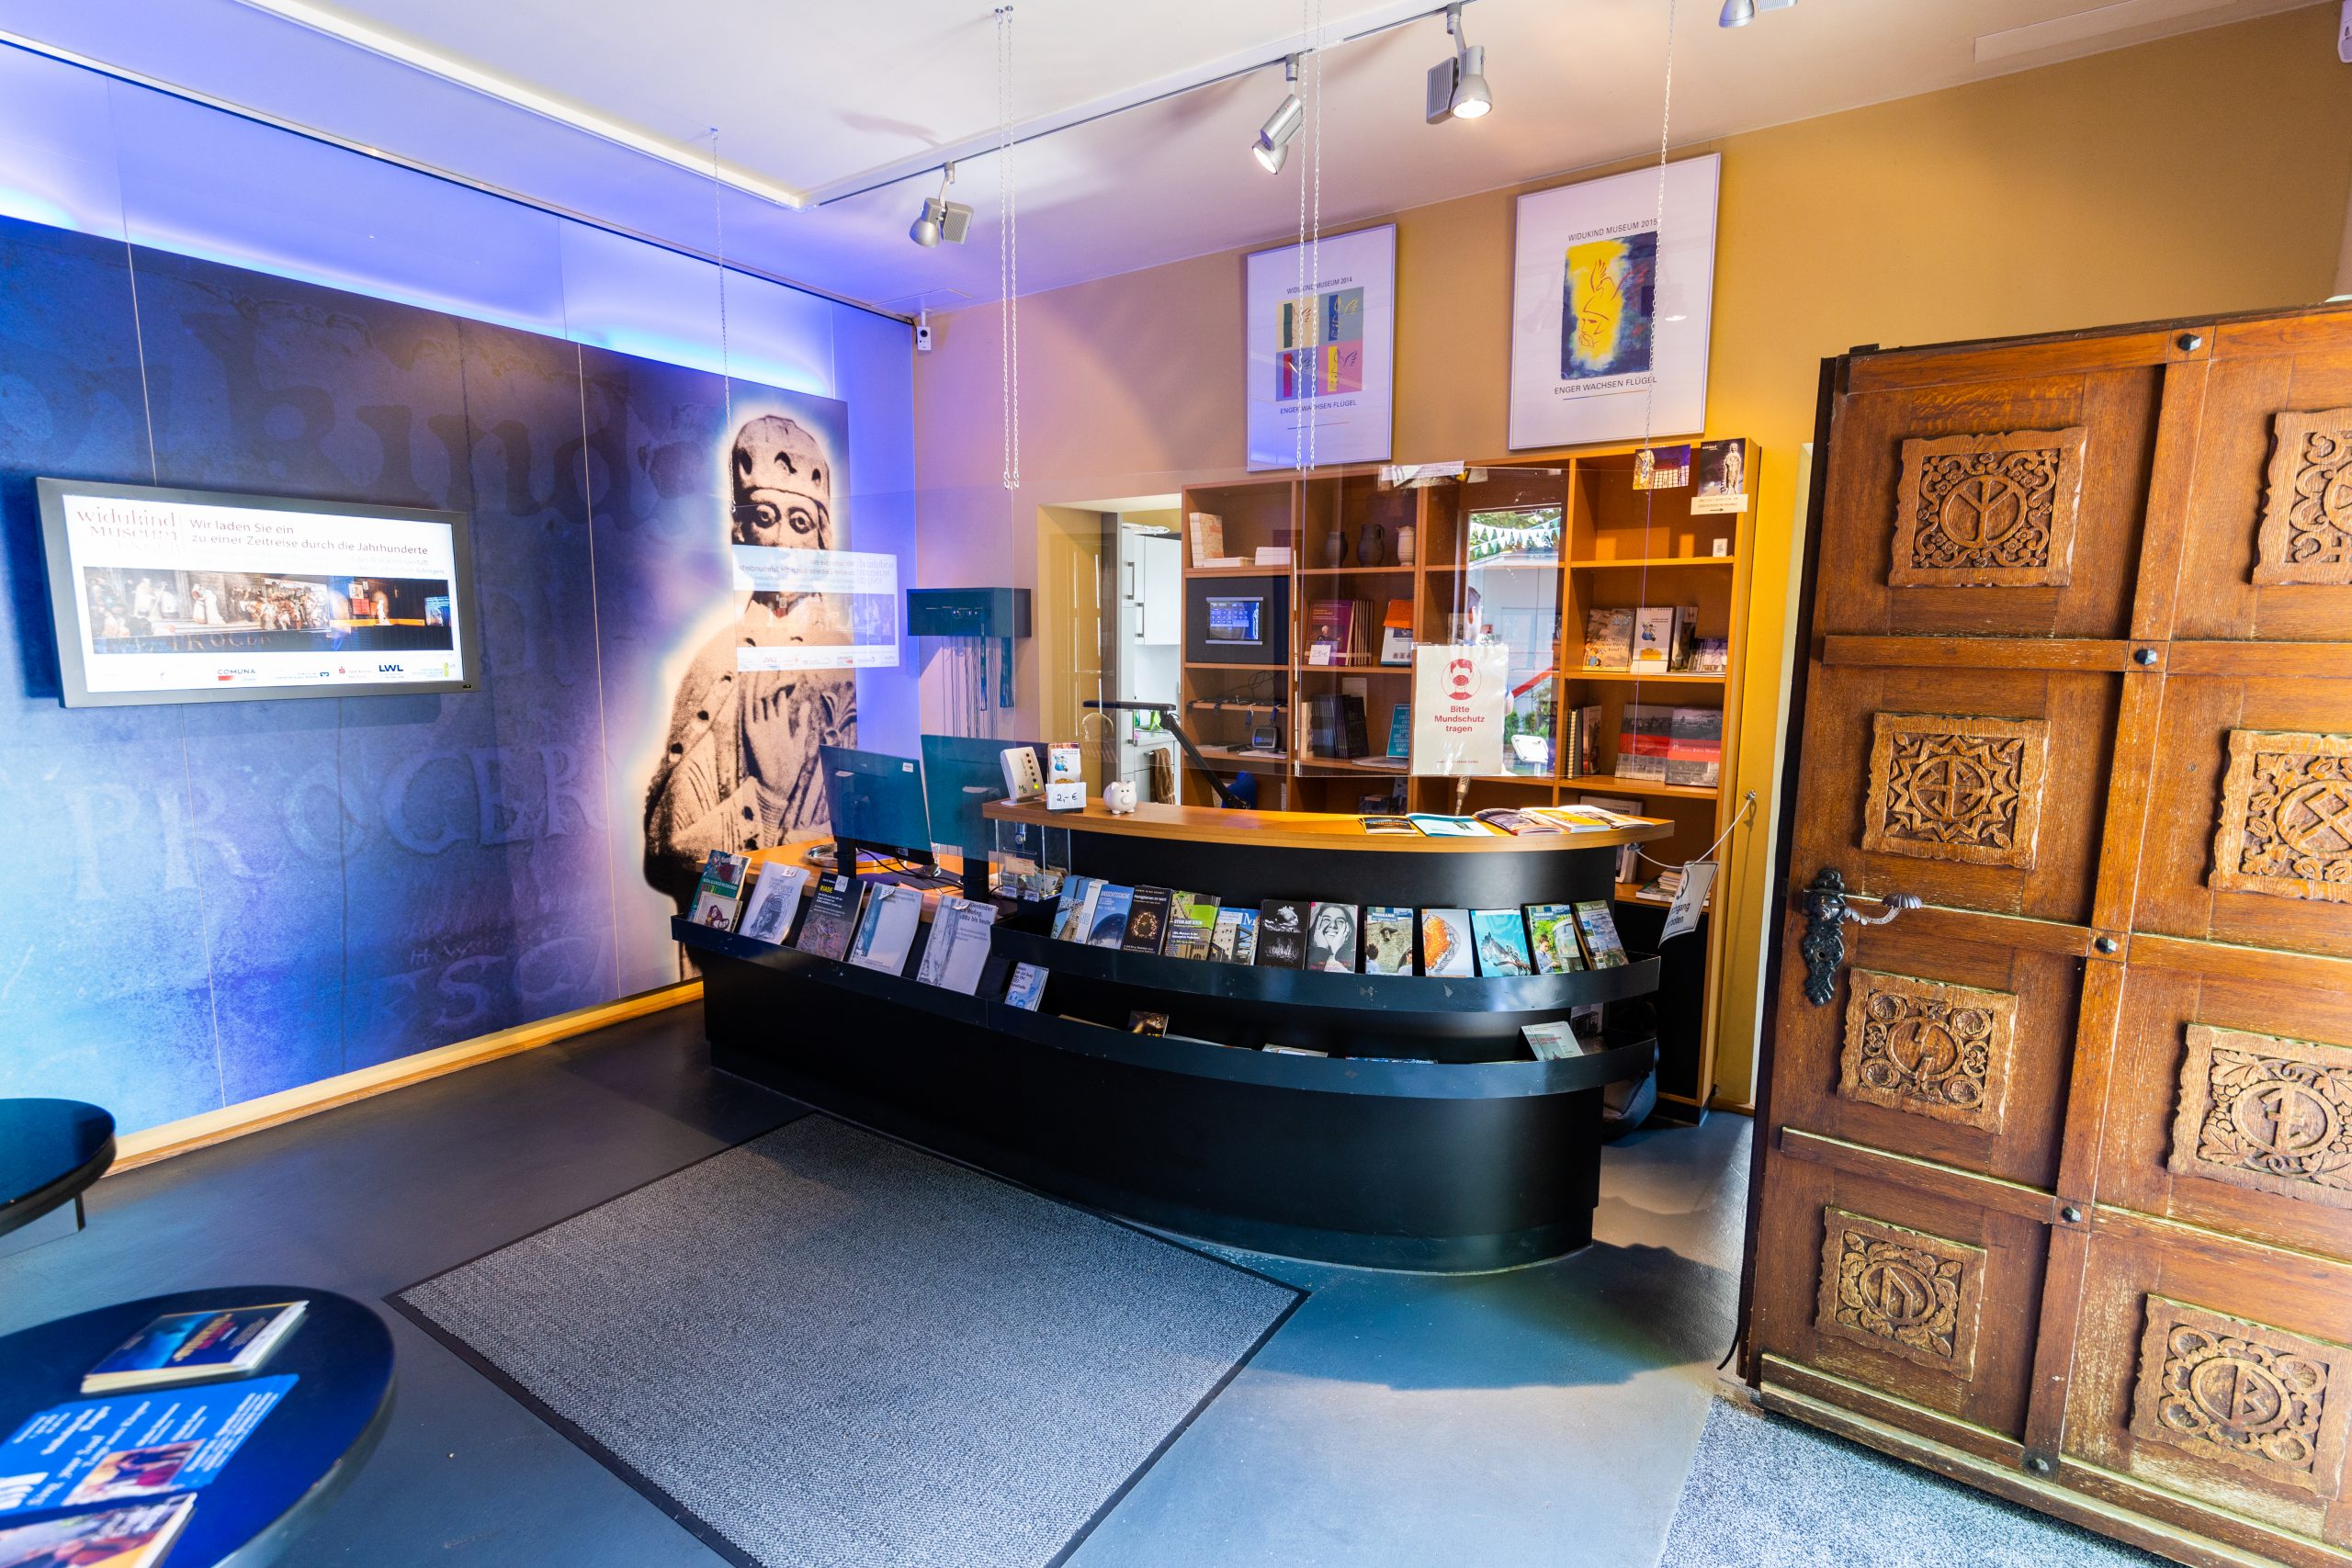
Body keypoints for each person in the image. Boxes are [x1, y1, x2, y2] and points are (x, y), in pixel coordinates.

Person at [644, 414, 856, 918]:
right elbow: (672, 841)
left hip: (831, 911)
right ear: (741, 529)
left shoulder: (846, 661)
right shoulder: (719, 662)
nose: (781, 540)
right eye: (765, 517)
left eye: (799, 523)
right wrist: (766, 796)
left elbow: (872, 812)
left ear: (821, 541)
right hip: (736, 921)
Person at [1308, 903, 1358, 973]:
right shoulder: (1306, 952)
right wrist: (1322, 948)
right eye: (1326, 919)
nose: (1333, 925)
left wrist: (1338, 950)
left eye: (1340, 921)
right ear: (1317, 923)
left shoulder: (1354, 955)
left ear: (1348, 928)